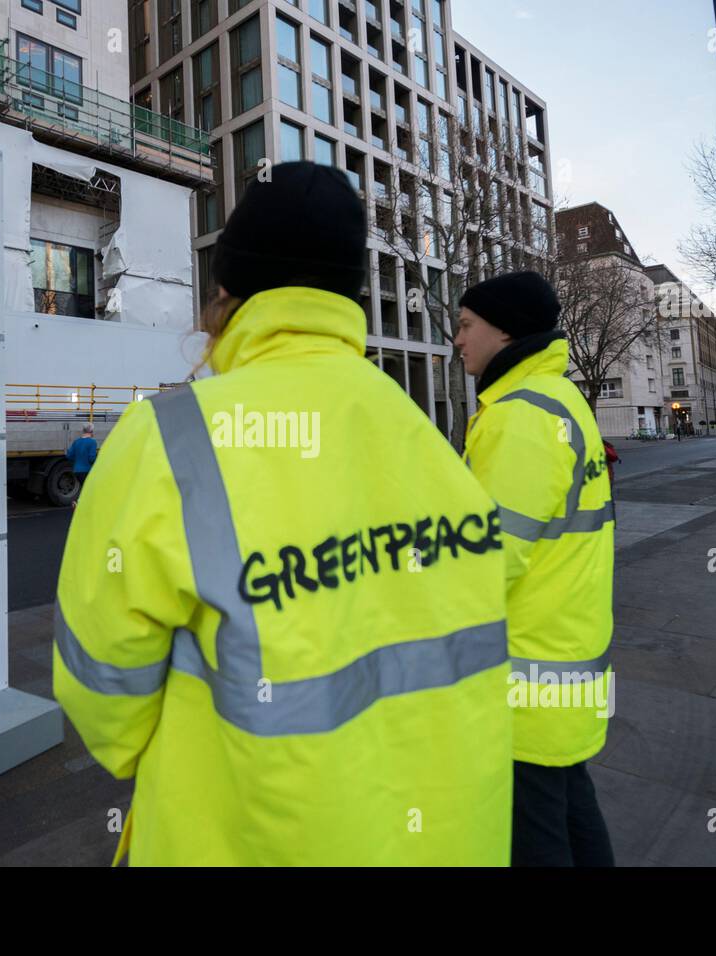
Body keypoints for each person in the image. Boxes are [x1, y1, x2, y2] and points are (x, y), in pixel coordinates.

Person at [52, 162, 514, 866]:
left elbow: (102, 689)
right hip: (450, 833)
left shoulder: (171, 440)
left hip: (247, 837)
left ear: (226, 293)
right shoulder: (423, 432)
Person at [454, 271, 615, 867]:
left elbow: (486, 561)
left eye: (467, 325)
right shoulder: (561, 396)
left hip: (523, 674)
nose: (457, 339)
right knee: (571, 811)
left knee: (533, 837)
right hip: (566, 657)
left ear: (504, 330)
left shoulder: (517, 417)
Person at [65, 423, 98, 510]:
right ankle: (79, 504)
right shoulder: (92, 442)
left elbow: (69, 456)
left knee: (84, 488)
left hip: (77, 470)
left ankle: (81, 504)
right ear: (91, 431)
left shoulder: (77, 442)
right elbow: (91, 458)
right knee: (88, 490)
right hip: (87, 470)